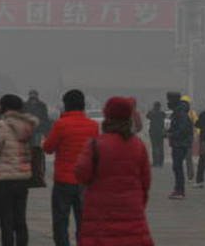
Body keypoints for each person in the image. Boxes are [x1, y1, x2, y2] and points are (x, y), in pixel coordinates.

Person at [75, 97, 154, 246]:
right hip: (132, 213)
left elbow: (81, 174)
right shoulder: (138, 146)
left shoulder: (95, 145)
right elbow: (146, 182)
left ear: (107, 116)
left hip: (99, 215)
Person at [42, 89, 99, 246]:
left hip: (64, 180)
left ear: (65, 105)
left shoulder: (61, 124)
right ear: (83, 105)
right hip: (85, 181)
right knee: (84, 221)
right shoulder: (93, 126)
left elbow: (48, 148)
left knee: (60, 220)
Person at [0, 94, 37, 246]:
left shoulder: (1, 125)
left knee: (6, 219)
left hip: (5, 178)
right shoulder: (27, 125)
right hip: (23, 176)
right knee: (20, 218)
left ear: (4, 107)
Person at [166, 92, 192, 199]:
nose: (168, 102)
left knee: (177, 167)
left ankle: (180, 190)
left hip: (180, 143)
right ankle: (178, 189)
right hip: (179, 143)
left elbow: (183, 129)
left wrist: (172, 134)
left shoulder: (180, 112)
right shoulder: (178, 111)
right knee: (177, 167)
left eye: (169, 100)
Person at [145, 102, 166, 168]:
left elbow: (147, 116)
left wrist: (152, 110)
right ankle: (161, 162)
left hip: (153, 132)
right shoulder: (162, 113)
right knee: (161, 147)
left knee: (154, 147)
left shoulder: (152, 113)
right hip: (160, 132)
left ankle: (155, 162)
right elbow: (164, 116)